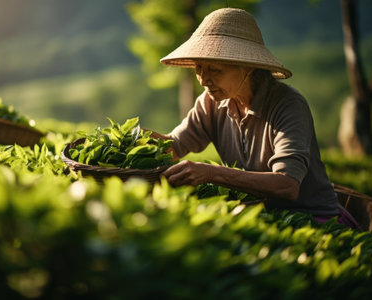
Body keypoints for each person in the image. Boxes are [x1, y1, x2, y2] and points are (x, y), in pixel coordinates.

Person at [152, 7, 361, 229]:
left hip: (312, 220)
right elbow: (172, 146)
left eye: (214, 70)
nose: (204, 80)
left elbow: (287, 185)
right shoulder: (210, 102)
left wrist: (211, 173)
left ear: (247, 68)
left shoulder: (288, 105)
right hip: (259, 216)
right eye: (199, 68)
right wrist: (134, 140)